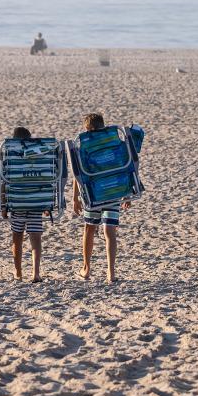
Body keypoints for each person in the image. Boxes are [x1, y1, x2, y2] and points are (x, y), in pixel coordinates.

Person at [72, 112, 131, 283]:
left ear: (88, 129)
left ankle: (86, 268)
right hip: (113, 192)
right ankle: (111, 273)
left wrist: (75, 198)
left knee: (89, 229)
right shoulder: (113, 143)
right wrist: (126, 193)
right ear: (103, 126)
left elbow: (78, 174)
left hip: (93, 194)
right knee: (110, 232)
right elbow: (124, 167)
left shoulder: (84, 146)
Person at [2, 127, 45, 283]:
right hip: (36, 202)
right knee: (35, 237)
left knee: (17, 236)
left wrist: (3, 205)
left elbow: (4, 184)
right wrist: (46, 203)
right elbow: (47, 180)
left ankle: (18, 272)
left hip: (17, 203)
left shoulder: (9, 159)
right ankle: (36, 273)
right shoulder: (39, 159)